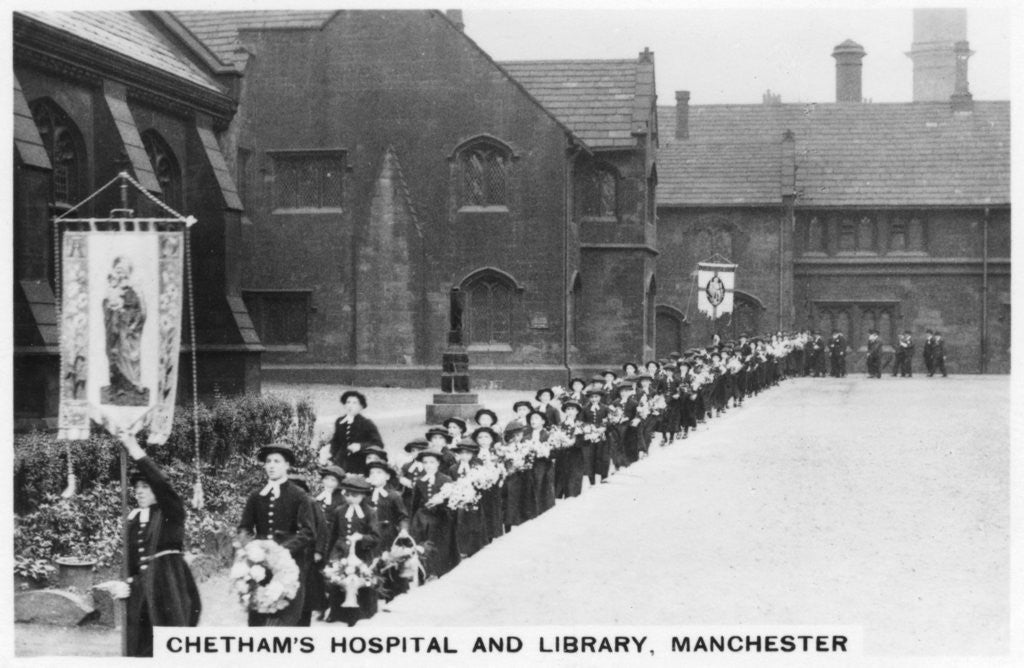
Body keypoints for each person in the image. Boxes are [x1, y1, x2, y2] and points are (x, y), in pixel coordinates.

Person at [111, 431, 200, 656]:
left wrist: (135, 449)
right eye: (137, 487)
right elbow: (131, 560)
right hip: (140, 594)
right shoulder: (133, 519)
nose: (139, 491)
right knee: (138, 647)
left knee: (166, 646)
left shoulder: (171, 512)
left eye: (145, 487)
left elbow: (161, 483)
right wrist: (126, 583)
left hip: (166, 587)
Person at [237, 442, 316, 626]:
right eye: (268, 461)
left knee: (286, 619)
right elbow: (244, 529)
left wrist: (281, 551)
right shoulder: (256, 496)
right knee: (259, 619)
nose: (271, 465)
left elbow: (307, 532)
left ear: (287, 465)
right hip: (261, 566)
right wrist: (251, 549)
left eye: (277, 461)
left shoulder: (299, 495)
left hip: (290, 566)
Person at [324, 474, 379, 626]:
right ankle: (337, 613)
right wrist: (329, 555)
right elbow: (333, 534)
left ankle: (362, 614)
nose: (350, 498)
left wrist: (362, 537)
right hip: (341, 551)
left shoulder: (370, 512)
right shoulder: (339, 510)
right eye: (346, 494)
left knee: (361, 581)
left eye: (354, 495)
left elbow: (375, 537)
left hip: (361, 552)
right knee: (337, 579)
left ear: (363, 495)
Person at [409, 448, 460, 578]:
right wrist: (413, 521)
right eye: (425, 463)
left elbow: (452, 503)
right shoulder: (420, 481)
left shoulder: (446, 479)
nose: (428, 465)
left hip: (441, 519)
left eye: (432, 462)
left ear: (438, 463)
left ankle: (441, 571)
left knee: (441, 547)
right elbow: (415, 503)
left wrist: (441, 502)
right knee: (423, 545)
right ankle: (426, 571)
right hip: (423, 520)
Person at [447, 439, 487, 558]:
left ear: (473, 454)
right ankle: (463, 548)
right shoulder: (454, 468)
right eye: (462, 453)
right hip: (460, 500)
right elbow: (452, 482)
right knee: (461, 522)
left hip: (475, 498)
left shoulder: (477, 466)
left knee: (475, 521)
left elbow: (483, 481)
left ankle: (477, 546)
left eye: (468, 453)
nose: (465, 456)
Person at [329, 390, 383, 475]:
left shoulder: (366, 423)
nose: (350, 405)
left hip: (359, 463)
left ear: (361, 407)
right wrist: (332, 456)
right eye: (348, 402)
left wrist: (360, 446)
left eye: (354, 403)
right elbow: (335, 441)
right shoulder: (340, 422)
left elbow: (378, 444)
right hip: (341, 462)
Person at [366, 461, 408, 557]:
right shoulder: (366, 496)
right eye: (372, 473)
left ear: (387, 477)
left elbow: (403, 516)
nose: (374, 475)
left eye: (379, 472)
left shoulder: (393, 496)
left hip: (387, 535)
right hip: (369, 535)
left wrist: (404, 529)